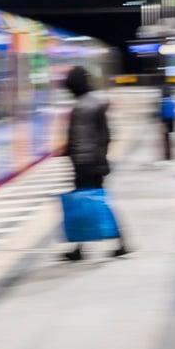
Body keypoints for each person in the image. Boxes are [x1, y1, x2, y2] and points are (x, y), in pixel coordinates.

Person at [62, 65, 128, 261]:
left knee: (88, 203)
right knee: (91, 202)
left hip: (85, 163)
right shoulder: (94, 103)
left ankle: (119, 242)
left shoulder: (81, 107)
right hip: (94, 162)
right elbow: (105, 136)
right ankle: (83, 247)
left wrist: (71, 155)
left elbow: (77, 139)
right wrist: (101, 158)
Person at [158, 85, 175, 161]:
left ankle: (167, 155)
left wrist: (161, 122)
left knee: (165, 138)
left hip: (165, 120)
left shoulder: (162, 102)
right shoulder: (171, 100)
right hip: (171, 120)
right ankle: (170, 154)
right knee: (169, 138)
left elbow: (161, 113)